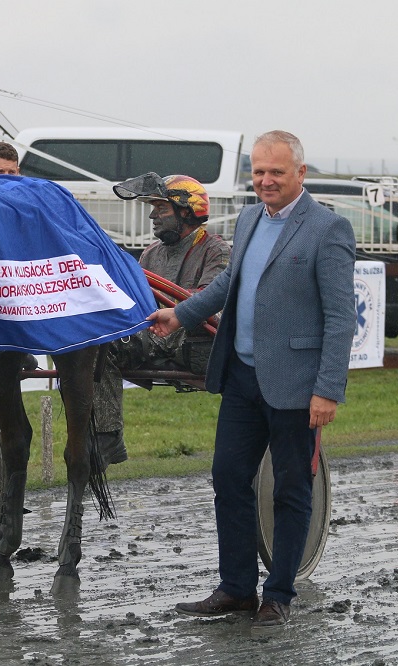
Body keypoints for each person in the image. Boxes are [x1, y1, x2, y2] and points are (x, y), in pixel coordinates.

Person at [148, 131, 356, 630]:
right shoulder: (246, 219)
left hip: (296, 385)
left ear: (300, 174)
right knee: (228, 478)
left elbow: (341, 317)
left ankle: (278, 594)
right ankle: (237, 589)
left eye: (276, 173)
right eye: (259, 172)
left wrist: (327, 388)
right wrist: (182, 314)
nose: (265, 181)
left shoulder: (329, 229)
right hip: (241, 377)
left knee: (289, 489)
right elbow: (227, 283)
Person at [91, 173, 230, 468]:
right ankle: (99, 434)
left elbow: (213, 306)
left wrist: (175, 310)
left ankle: (106, 437)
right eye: (152, 208)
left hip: (194, 343)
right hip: (150, 337)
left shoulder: (216, 249)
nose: (152, 215)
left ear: (186, 211)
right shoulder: (151, 254)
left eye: (161, 208)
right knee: (92, 343)